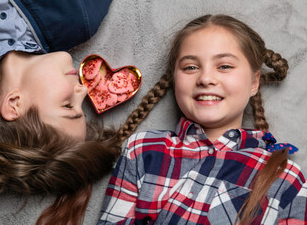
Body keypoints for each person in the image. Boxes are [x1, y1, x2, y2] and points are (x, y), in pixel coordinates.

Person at [0, 0, 133, 225]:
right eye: (82, 109)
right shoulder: (81, 13)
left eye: (68, 106)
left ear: (15, 104)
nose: (84, 90)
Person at [98, 14, 306, 224]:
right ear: (174, 79)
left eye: (224, 66)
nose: (205, 78)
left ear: (254, 82)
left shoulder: (286, 177)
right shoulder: (142, 150)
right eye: (190, 67)